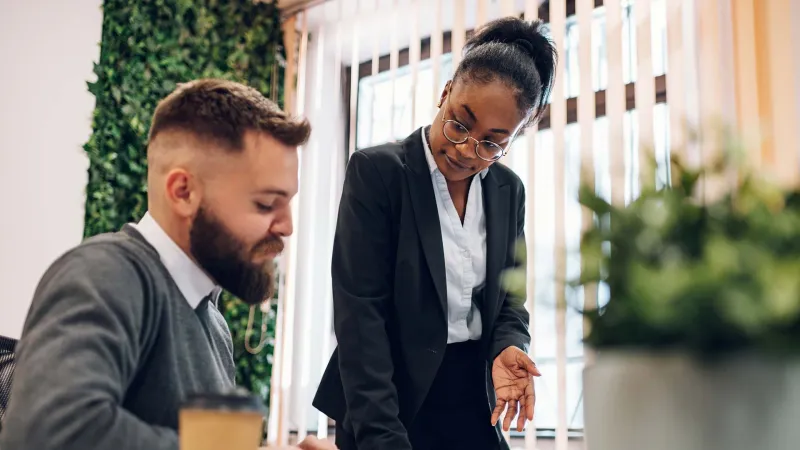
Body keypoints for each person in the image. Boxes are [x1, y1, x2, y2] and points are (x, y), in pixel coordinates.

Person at [0, 79, 334, 450]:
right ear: (183, 192)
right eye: (266, 204)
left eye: (288, 203)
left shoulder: (214, 326)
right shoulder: (106, 274)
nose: (287, 226)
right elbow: (47, 435)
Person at [313, 17, 557, 450]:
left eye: (491, 143)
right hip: (387, 397)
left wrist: (508, 344)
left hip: (471, 399)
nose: (466, 150)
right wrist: (382, 436)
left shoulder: (507, 191)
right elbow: (360, 317)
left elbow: (508, 298)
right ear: (445, 93)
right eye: (460, 124)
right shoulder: (378, 173)